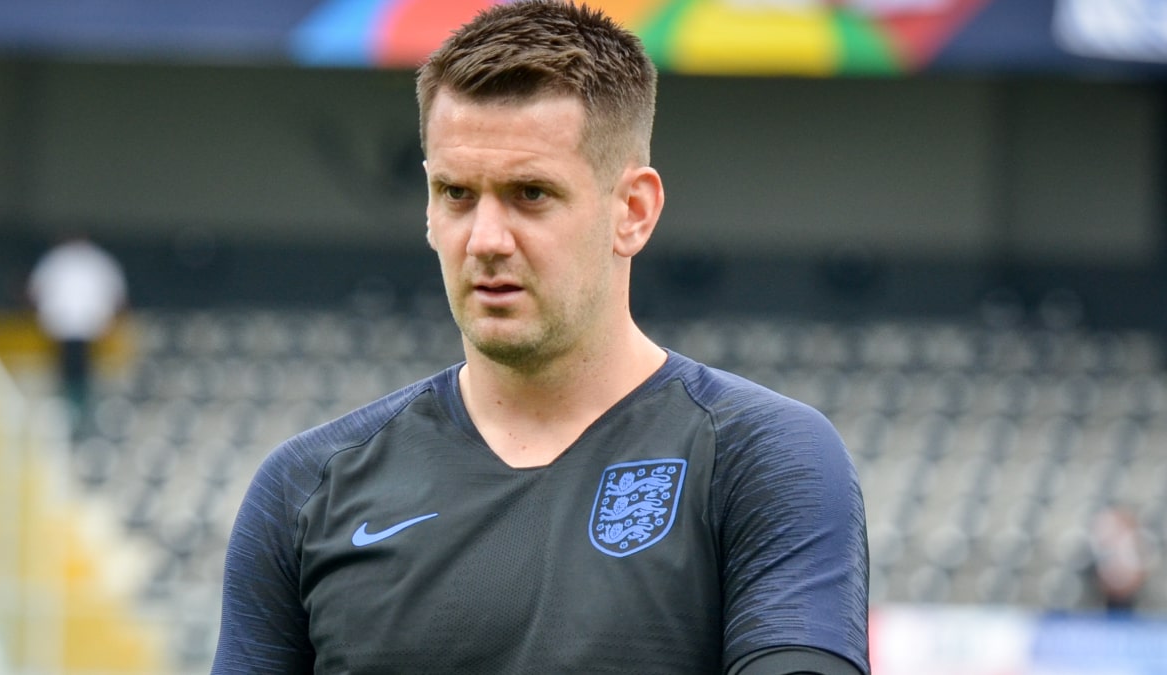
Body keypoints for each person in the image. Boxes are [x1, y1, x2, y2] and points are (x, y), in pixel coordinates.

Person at [212, 2, 869, 673]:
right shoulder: (305, 488)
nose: (487, 240)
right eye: (457, 194)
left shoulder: (761, 457)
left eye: (530, 193)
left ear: (633, 211)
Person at [27, 233, 127, 436]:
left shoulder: (75, 259)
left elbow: (34, 291)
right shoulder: (66, 259)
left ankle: (78, 410)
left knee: (80, 372)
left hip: (83, 326)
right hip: (68, 326)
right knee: (69, 371)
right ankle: (72, 410)